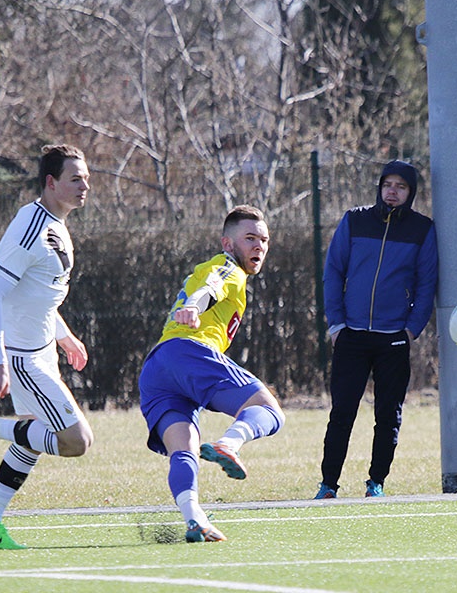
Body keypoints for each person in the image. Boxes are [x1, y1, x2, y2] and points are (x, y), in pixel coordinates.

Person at [0, 144, 94, 550]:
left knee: (30, 439)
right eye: (75, 179)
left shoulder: (57, 223)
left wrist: (63, 335)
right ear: (51, 183)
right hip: (22, 358)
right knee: (76, 441)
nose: (84, 186)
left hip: (42, 351)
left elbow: (39, 296)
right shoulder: (31, 227)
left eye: (86, 178)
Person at [138, 205, 285, 543]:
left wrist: (192, 304)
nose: (259, 246)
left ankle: (195, 520)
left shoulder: (221, 269)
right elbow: (210, 287)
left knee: (184, 450)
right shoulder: (226, 267)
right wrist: (193, 305)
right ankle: (228, 443)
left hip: (157, 368)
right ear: (227, 243)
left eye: (264, 240)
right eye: (250, 238)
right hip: (188, 353)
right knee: (270, 411)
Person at [316, 160, 438, 500]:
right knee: (342, 413)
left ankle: (376, 482)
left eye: (401, 186)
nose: (393, 191)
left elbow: (427, 284)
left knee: (388, 415)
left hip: (393, 340)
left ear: (411, 192)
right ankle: (328, 485)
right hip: (351, 335)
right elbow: (333, 272)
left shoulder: (422, 229)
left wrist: (411, 329)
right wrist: (337, 324)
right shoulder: (354, 220)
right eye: (388, 185)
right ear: (380, 187)